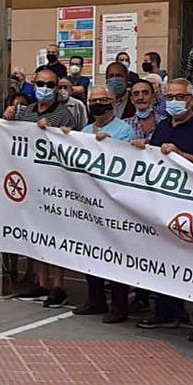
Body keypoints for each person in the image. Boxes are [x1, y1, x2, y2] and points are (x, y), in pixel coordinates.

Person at [133, 79, 193, 331]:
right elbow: (151, 157)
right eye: (169, 97)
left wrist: (182, 156)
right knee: (165, 259)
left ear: (191, 100)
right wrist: (141, 148)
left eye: (179, 97)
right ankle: (167, 311)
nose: (174, 102)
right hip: (165, 206)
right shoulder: (162, 129)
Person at [6, 68, 83, 307]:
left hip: (55, 181)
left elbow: (74, 142)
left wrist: (54, 131)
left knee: (56, 233)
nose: (45, 89)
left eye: (51, 85)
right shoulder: (25, 112)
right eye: (41, 83)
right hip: (30, 181)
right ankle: (42, 282)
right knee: (37, 233)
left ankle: (58, 285)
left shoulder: (63, 114)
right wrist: (8, 119)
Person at [61, 86, 138, 318]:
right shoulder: (84, 130)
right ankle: (95, 299)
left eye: (103, 100)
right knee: (91, 251)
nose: (97, 104)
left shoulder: (124, 130)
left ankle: (119, 304)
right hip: (89, 200)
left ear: (113, 102)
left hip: (115, 202)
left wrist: (109, 143)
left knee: (115, 253)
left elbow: (128, 158)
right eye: (93, 100)